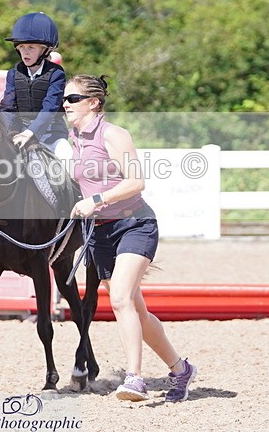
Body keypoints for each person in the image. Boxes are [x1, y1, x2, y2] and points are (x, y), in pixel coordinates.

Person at [64, 74, 197, 403]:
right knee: (135, 309)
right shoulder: (73, 138)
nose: (64, 105)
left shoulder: (113, 135)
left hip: (135, 224)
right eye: (64, 100)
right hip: (100, 234)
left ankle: (135, 378)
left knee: (121, 299)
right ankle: (181, 369)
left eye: (71, 99)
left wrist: (95, 201)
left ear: (93, 103)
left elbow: (136, 182)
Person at [0, 12, 71, 234]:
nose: (25, 52)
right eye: (22, 47)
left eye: (31, 48)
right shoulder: (14, 73)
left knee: (69, 164)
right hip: (18, 136)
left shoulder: (56, 74)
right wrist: (9, 132)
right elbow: (9, 107)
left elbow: (49, 108)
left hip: (51, 136)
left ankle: (76, 217)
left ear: (45, 50)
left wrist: (31, 133)